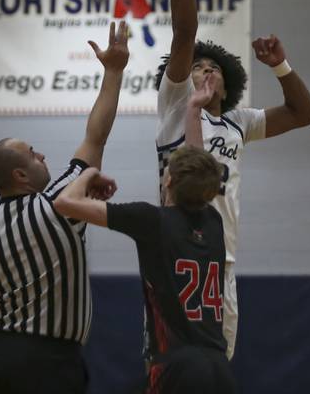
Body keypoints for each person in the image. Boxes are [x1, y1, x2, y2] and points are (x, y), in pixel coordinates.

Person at [154, 0, 310, 359]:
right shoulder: (174, 107)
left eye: (214, 67)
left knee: (217, 372)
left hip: (222, 262)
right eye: (197, 67)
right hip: (176, 255)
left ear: (228, 79)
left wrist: (281, 65)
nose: (204, 71)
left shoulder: (238, 123)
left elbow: (304, 114)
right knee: (173, 370)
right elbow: (184, 34)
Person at [0, 21, 129, 394]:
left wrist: (12, 332)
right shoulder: (59, 205)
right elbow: (96, 136)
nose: (42, 154)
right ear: (20, 174)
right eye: (33, 153)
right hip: (50, 364)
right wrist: (114, 72)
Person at [53, 75, 236, 394]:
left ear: (168, 182)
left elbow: (64, 202)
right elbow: (198, 165)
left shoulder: (151, 220)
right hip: (219, 367)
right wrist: (192, 109)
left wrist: (90, 172)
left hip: (175, 366)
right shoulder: (214, 221)